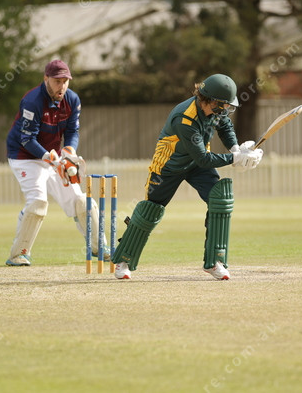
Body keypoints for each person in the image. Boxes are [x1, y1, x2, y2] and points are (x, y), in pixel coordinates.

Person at [111, 74, 263, 280]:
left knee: (220, 198)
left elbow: (225, 126)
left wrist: (236, 148)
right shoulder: (185, 118)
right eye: (224, 104)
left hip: (196, 165)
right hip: (168, 165)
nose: (226, 109)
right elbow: (203, 158)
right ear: (212, 101)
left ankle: (215, 262)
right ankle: (124, 260)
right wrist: (235, 158)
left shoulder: (215, 110)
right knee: (149, 211)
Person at [5, 59, 106, 266]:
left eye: (65, 81)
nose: (62, 86)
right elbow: (27, 139)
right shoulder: (32, 101)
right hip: (25, 156)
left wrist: (68, 153)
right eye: (57, 81)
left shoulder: (72, 99)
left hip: (53, 156)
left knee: (81, 201)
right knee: (38, 202)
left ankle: (100, 247)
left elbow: (72, 131)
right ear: (46, 79)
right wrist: (49, 158)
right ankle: (19, 254)